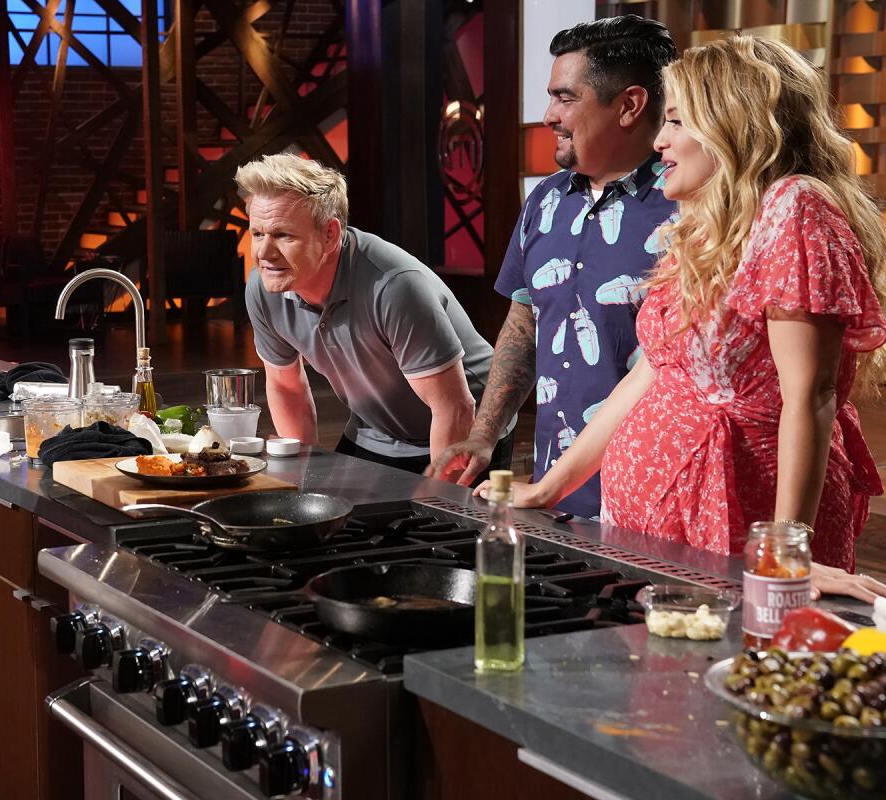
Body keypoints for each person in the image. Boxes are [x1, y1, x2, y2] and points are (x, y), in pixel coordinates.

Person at [511, 36, 886, 604]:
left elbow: (809, 396)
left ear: (734, 124)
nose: (660, 141)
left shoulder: (795, 207)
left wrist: (787, 554)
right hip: (662, 522)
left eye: (678, 122)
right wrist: (550, 488)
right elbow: (654, 374)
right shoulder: (706, 222)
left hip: (747, 511)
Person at [430, 15, 678, 518]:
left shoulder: (687, 206)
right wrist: (483, 436)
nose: (548, 115)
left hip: (653, 490)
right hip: (550, 488)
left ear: (630, 105)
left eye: (565, 97)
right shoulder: (544, 199)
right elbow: (525, 324)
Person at [236, 153, 515, 476]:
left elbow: (454, 407)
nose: (264, 253)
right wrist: (300, 480)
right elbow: (287, 388)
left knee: (435, 524)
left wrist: (440, 502)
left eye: (283, 235)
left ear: (330, 235)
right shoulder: (264, 285)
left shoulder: (395, 286)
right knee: (329, 516)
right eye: (257, 234)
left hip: (467, 428)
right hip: (376, 431)